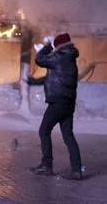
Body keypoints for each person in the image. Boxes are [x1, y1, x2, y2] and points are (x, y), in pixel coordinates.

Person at [26, 33, 83, 180]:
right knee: (69, 136)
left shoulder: (59, 56)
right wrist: (34, 81)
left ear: (58, 46)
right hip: (68, 103)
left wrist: (46, 46)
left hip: (58, 102)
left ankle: (47, 166)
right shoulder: (69, 58)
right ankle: (76, 170)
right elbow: (52, 77)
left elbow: (40, 59)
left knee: (44, 130)